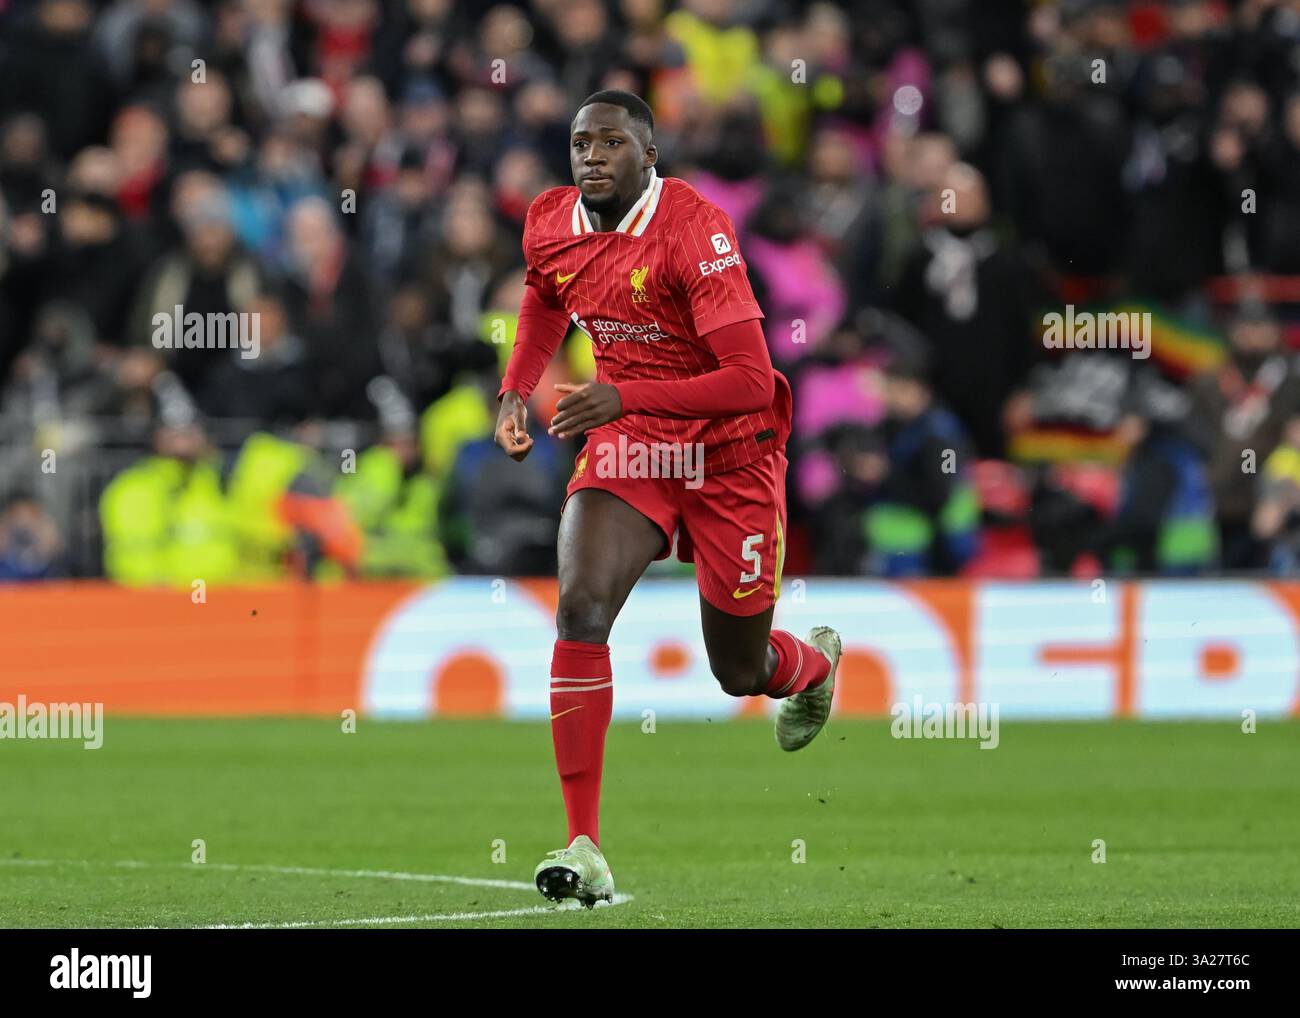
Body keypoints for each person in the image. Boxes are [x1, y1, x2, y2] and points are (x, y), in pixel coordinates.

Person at [493, 90, 842, 908]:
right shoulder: (549, 220)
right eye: (581, 143)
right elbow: (546, 293)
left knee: (738, 670)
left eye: (613, 143)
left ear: (649, 156)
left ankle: (812, 666)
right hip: (637, 449)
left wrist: (625, 398)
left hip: (731, 455)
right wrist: (517, 386)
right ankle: (585, 846)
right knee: (580, 609)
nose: (593, 156)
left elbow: (752, 381)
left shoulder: (695, 229)